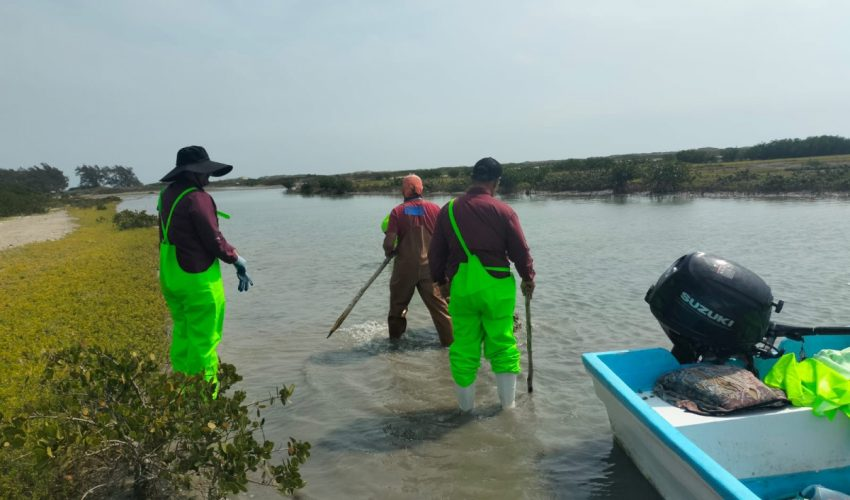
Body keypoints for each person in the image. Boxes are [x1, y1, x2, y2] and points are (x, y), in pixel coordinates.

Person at [429, 157, 535, 411]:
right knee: (502, 345)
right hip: (497, 289)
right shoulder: (504, 211)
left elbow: (435, 253)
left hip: (462, 288)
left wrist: (440, 282)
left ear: (473, 178)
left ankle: (465, 411)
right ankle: (508, 410)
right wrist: (528, 277)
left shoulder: (448, 210)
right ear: (496, 182)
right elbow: (520, 251)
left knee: (464, 348)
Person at [157, 145, 253, 395]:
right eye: (205, 172)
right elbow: (213, 238)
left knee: (183, 335)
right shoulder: (197, 198)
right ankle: (205, 401)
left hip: (171, 277)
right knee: (205, 342)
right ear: (192, 172)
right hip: (198, 281)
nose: (208, 177)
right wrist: (235, 259)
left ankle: (179, 392)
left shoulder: (166, 195)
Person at [382, 174, 453, 346]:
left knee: (398, 307)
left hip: (405, 268)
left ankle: (395, 346)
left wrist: (389, 252)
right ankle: (450, 345)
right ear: (421, 189)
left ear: (405, 190)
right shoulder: (435, 209)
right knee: (441, 308)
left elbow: (389, 243)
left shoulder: (398, 211)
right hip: (432, 268)